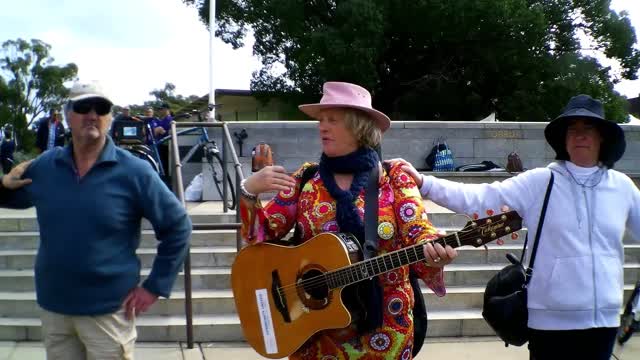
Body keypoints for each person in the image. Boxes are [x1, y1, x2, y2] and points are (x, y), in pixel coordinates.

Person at [393, 94, 640, 360]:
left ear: (602, 137)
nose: (580, 135)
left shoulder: (622, 186)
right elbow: (479, 198)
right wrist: (424, 183)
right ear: (563, 138)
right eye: (572, 129)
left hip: (604, 322)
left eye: (588, 128)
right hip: (549, 324)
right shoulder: (541, 181)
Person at [239, 82, 458, 359]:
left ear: (359, 126)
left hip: (385, 331)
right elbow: (261, 237)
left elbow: (417, 229)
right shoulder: (306, 179)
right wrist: (249, 191)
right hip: (315, 332)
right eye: (321, 120)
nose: (322, 127)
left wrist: (434, 250)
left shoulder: (394, 176)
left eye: (333, 120)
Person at [0, 81, 192, 359]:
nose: (92, 115)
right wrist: (3, 186)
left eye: (101, 108)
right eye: (82, 107)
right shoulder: (45, 166)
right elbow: (14, 199)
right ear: (67, 114)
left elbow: (178, 227)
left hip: (109, 312)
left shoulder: (135, 171)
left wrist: (154, 286)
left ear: (110, 117)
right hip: (55, 310)